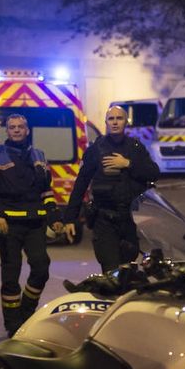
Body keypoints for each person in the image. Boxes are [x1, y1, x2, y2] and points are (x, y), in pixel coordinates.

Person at [0, 113, 64, 336]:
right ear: (7, 131)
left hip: (35, 222)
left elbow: (46, 191)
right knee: (10, 276)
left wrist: (54, 217)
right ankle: (12, 325)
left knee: (41, 268)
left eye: (20, 127)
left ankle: (26, 312)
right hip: (8, 224)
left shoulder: (38, 155)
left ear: (27, 130)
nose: (16, 130)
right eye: (12, 127)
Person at [63, 105, 160, 272]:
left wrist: (128, 164)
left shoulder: (135, 148)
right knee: (110, 270)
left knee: (128, 270)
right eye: (111, 119)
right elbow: (81, 184)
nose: (115, 122)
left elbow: (153, 173)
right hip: (104, 219)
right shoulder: (95, 149)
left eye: (119, 118)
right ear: (106, 122)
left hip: (129, 219)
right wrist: (70, 218)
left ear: (126, 122)